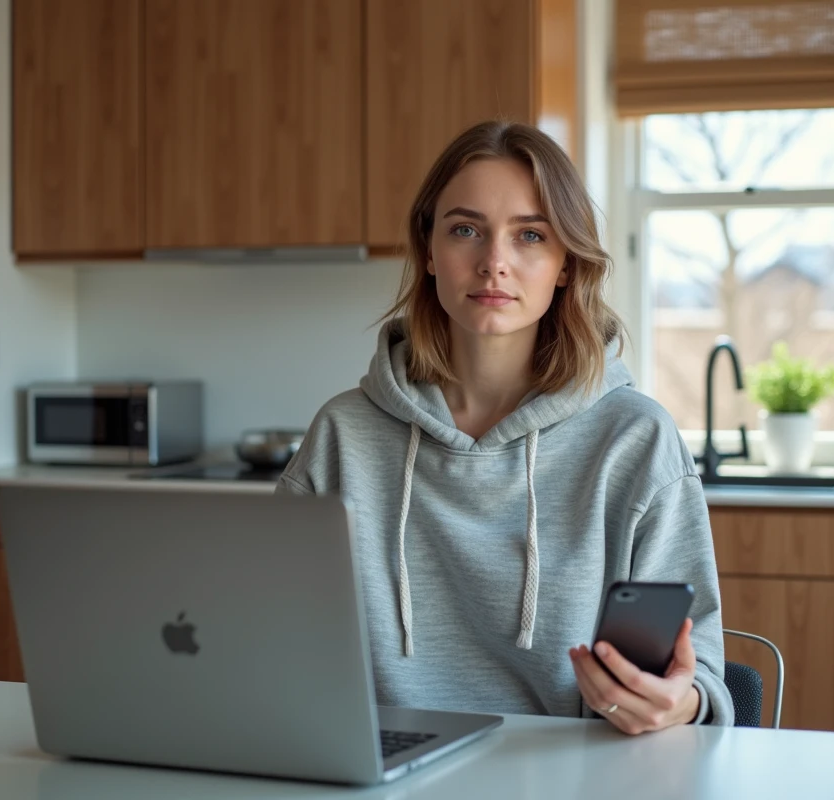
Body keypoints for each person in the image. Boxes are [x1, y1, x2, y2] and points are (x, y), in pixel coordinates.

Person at [276, 120, 734, 732]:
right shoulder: (342, 436)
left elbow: (697, 673)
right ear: (430, 252)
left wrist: (681, 700)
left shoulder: (635, 441)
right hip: (382, 772)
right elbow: (272, 642)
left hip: (573, 775)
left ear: (566, 264)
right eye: (465, 230)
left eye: (529, 236)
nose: (494, 263)